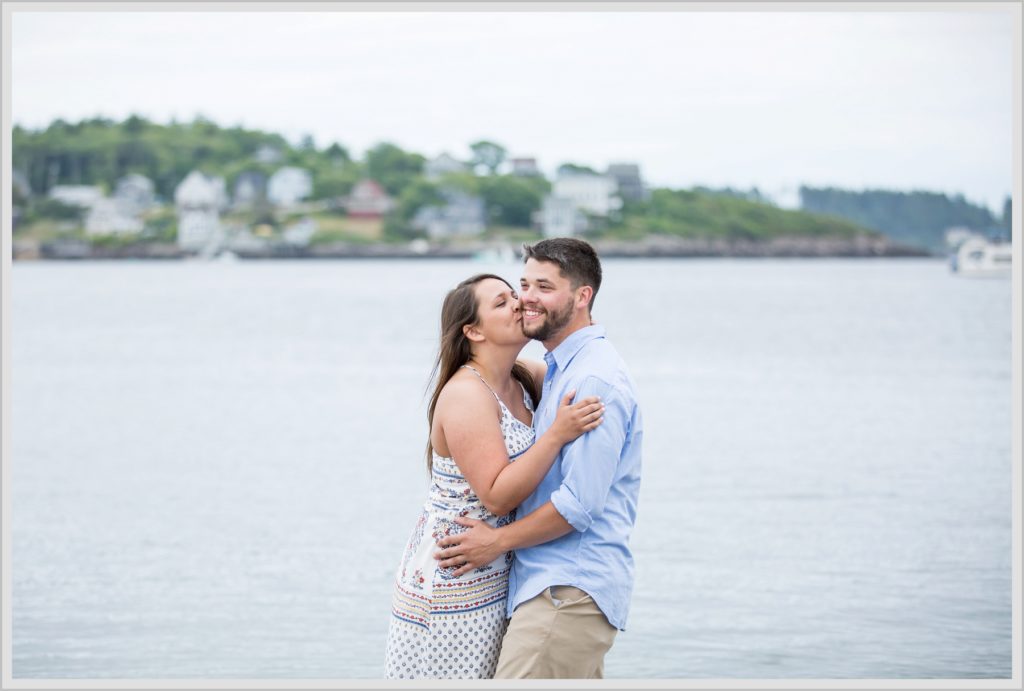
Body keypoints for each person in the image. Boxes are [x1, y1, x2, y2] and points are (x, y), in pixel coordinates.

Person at [435, 238, 643, 679]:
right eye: (523, 284)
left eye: (543, 287)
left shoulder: (592, 381)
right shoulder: (553, 368)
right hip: (538, 586)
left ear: (581, 296)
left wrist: (496, 543)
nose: (526, 298)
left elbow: (578, 505)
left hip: (566, 587)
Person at [384, 272, 606, 679]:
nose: (519, 304)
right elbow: (497, 496)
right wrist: (557, 433)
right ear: (473, 331)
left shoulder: (522, 377)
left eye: (514, 294)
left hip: (497, 566)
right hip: (455, 570)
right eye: (502, 303)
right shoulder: (467, 394)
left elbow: (578, 367)